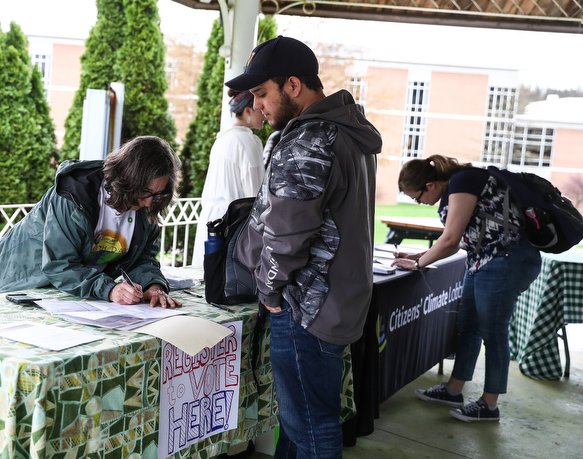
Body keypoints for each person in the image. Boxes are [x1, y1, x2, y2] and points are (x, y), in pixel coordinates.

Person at [227, 36, 382, 458]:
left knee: (312, 431)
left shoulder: (309, 141)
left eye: (262, 94)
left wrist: (270, 290)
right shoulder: (347, 131)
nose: (257, 106)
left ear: (293, 85)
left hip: (304, 306)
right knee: (299, 427)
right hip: (336, 300)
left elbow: (286, 235)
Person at [392, 155, 541, 422]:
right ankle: (453, 390)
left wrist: (418, 265)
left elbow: (451, 240)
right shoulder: (456, 185)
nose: (420, 203)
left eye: (416, 198)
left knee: (492, 330)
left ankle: (489, 405)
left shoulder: (463, 181)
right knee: (468, 325)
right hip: (484, 260)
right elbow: (454, 234)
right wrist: (419, 257)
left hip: (505, 260)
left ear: (430, 185)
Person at [0, 135, 182, 308]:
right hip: (19, 282)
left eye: (156, 195)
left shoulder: (145, 208)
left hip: (64, 296)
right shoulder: (74, 194)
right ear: (126, 179)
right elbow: (60, 264)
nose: (148, 201)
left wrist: (152, 285)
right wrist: (109, 290)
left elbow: (142, 259)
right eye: (144, 192)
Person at [192, 89, 266, 267]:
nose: (263, 112)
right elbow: (255, 196)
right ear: (247, 111)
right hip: (233, 227)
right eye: (258, 109)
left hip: (211, 222)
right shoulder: (250, 142)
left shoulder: (222, 139)